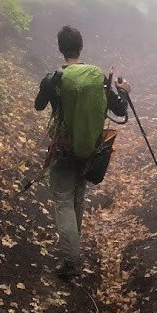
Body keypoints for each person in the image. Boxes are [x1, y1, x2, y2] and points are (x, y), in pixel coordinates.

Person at [34, 25, 130, 281]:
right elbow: (120, 112)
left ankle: (71, 260)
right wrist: (123, 91)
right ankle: (73, 251)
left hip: (63, 149)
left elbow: (38, 106)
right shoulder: (97, 78)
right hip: (90, 149)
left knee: (63, 201)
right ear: (81, 47)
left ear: (60, 48)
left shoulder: (54, 78)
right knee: (77, 196)